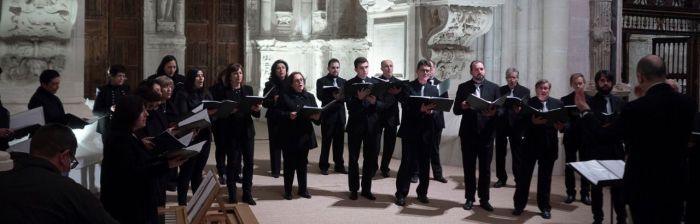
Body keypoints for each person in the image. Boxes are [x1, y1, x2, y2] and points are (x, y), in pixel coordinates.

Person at [575, 55, 696, 224]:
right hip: (675, 182)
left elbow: (605, 136)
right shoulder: (688, 104)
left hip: (644, 185)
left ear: (640, 77)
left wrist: (585, 110)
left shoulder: (636, 108)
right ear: (665, 74)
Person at [0, 124, 118, 224]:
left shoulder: (6, 174)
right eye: (71, 161)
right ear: (64, 156)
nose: (69, 167)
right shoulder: (71, 193)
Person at [100, 95, 184, 224]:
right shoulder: (120, 140)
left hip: (136, 205)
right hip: (129, 209)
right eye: (142, 111)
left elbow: (138, 162)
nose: (147, 114)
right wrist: (166, 165)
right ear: (130, 114)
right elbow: (134, 173)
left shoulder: (129, 135)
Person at [512, 79, 565, 219]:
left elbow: (565, 123)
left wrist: (562, 127)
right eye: (541, 88)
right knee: (524, 178)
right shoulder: (528, 103)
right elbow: (518, 124)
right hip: (530, 145)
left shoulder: (558, 104)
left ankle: (545, 207)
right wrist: (531, 122)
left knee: (545, 179)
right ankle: (519, 206)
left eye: (546, 88)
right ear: (536, 89)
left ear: (549, 90)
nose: (544, 90)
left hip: (549, 146)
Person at [210, 63, 261, 205]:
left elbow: (256, 114)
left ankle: (247, 193)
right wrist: (229, 111)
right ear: (229, 76)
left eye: (240, 73)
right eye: (235, 74)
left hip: (247, 131)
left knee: (249, 163)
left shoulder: (248, 89)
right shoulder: (222, 92)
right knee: (232, 164)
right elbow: (219, 114)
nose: (238, 76)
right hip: (231, 132)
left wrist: (257, 108)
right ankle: (232, 194)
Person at [452, 60, 499, 211]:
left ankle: (484, 199)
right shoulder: (463, 87)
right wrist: (462, 106)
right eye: (476, 69)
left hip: (487, 133)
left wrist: (494, 112)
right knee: (469, 168)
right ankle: (469, 198)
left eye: (482, 69)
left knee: (485, 168)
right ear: (471, 72)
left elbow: (502, 110)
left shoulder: (494, 87)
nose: (480, 71)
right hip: (468, 133)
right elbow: (456, 111)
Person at [582, 70, 627, 224]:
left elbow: (623, 126)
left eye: (608, 80)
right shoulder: (591, 103)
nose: (605, 83)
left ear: (612, 83)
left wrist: (609, 128)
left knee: (618, 189)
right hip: (597, 149)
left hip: (615, 149)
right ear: (597, 83)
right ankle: (598, 218)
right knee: (596, 189)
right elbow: (590, 128)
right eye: (602, 80)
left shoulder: (620, 102)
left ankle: (621, 218)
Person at [394, 59, 440, 206]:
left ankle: (422, 193)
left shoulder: (434, 89)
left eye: (428, 70)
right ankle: (401, 193)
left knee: (425, 164)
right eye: (422, 70)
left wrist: (433, 111)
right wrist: (419, 109)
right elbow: (405, 106)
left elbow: (439, 109)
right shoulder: (407, 87)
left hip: (427, 131)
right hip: (410, 131)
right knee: (406, 163)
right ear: (417, 71)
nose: (425, 73)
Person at [275, 72, 321, 199]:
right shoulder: (285, 97)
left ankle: (302, 189)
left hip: (304, 135)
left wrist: (317, 117)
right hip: (289, 135)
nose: (300, 82)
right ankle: (288, 191)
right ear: (291, 84)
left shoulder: (310, 96)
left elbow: (316, 117)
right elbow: (277, 114)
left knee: (302, 164)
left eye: (301, 80)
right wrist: (288, 115)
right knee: (289, 164)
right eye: (297, 81)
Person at [344, 56, 384, 200]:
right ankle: (354, 189)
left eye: (366, 67)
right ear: (356, 69)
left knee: (370, 159)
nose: (364, 70)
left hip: (372, 127)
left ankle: (366, 189)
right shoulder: (349, 84)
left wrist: (374, 103)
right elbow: (349, 107)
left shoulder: (376, 83)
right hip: (355, 125)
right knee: (353, 159)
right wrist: (359, 99)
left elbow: (382, 106)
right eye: (361, 68)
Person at [174, 68, 214, 205]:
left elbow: (213, 114)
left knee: (198, 172)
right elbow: (183, 117)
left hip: (205, 136)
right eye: (197, 76)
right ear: (191, 78)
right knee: (186, 172)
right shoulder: (182, 95)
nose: (201, 78)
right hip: (190, 137)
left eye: (202, 75)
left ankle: (198, 203)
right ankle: (182, 204)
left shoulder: (207, 94)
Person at [493, 68, 529, 188]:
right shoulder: (500, 90)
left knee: (517, 154)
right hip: (501, 125)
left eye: (514, 77)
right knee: (500, 153)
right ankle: (501, 178)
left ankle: (518, 179)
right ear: (506, 78)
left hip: (517, 126)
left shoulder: (525, 91)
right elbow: (496, 106)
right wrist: (500, 110)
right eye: (509, 77)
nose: (512, 80)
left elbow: (527, 110)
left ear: (517, 78)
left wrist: (520, 110)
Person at [560, 73, 592, 204]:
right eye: (575, 84)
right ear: (571, 84)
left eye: (580, 83)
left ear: (584, 83)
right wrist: (565, 124)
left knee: (586, 166)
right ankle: (570, 193)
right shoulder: (565, 99)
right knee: (569, 166)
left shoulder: (591, 99)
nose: (578, 86)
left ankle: (585, 194)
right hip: (570, 136)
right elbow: (563, 119)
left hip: (586, 137)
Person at [316, 58, 347, 175]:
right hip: (328, 115)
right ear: (328, 68)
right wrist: (332, 95)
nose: (335, 70)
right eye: (333, 67)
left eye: (337, 67)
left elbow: (347, 97)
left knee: (339, 143)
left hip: (340, 116)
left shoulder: (344, 82)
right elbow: (319, 96)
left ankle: (339, 165)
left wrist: (340, 97)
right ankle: (323, 166)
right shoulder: (321, 81)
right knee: (326, 142)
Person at [376, 59, 403, 178]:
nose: (389, 68)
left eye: (391, 66)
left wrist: (397, 94)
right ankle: (372, 166)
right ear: (381, 68)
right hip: (377, 116)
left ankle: (385, 167)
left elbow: (403, 100)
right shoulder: (376, 81)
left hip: (392, 116)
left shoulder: (398, 82)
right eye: (386, 66)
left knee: (389, 144)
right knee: (375, 144)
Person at [263, 59, 288, 178]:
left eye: (283, 67)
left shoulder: (291, 83)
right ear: (274, 70)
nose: (281, 70)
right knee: (275, 144)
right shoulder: (269, 85)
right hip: (274, 117)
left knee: (288, 144)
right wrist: (274, 100)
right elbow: (264, 102)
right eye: (278, 68)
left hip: (288, 117)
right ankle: (276, 170)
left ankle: (288, 168)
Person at [93, 64, 130, 143]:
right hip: (108, 127)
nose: (122, 78)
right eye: (119, 76)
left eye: (123, 76)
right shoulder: (102, 90)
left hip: (124, 125)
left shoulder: (126, 89)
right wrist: (110, 109)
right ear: (112, 76)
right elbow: (96, 111)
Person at [426, 60, 448, 183]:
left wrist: (434, 111)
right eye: (426, 67)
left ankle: (437, 174)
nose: (428, 70)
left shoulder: (442, 84)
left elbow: (445, 103)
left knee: (435, 148)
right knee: (420, 148)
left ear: (434, 69)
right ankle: (416, 173)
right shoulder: (419, 83)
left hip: (436, 121)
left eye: (431, 67)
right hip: (422, 121)